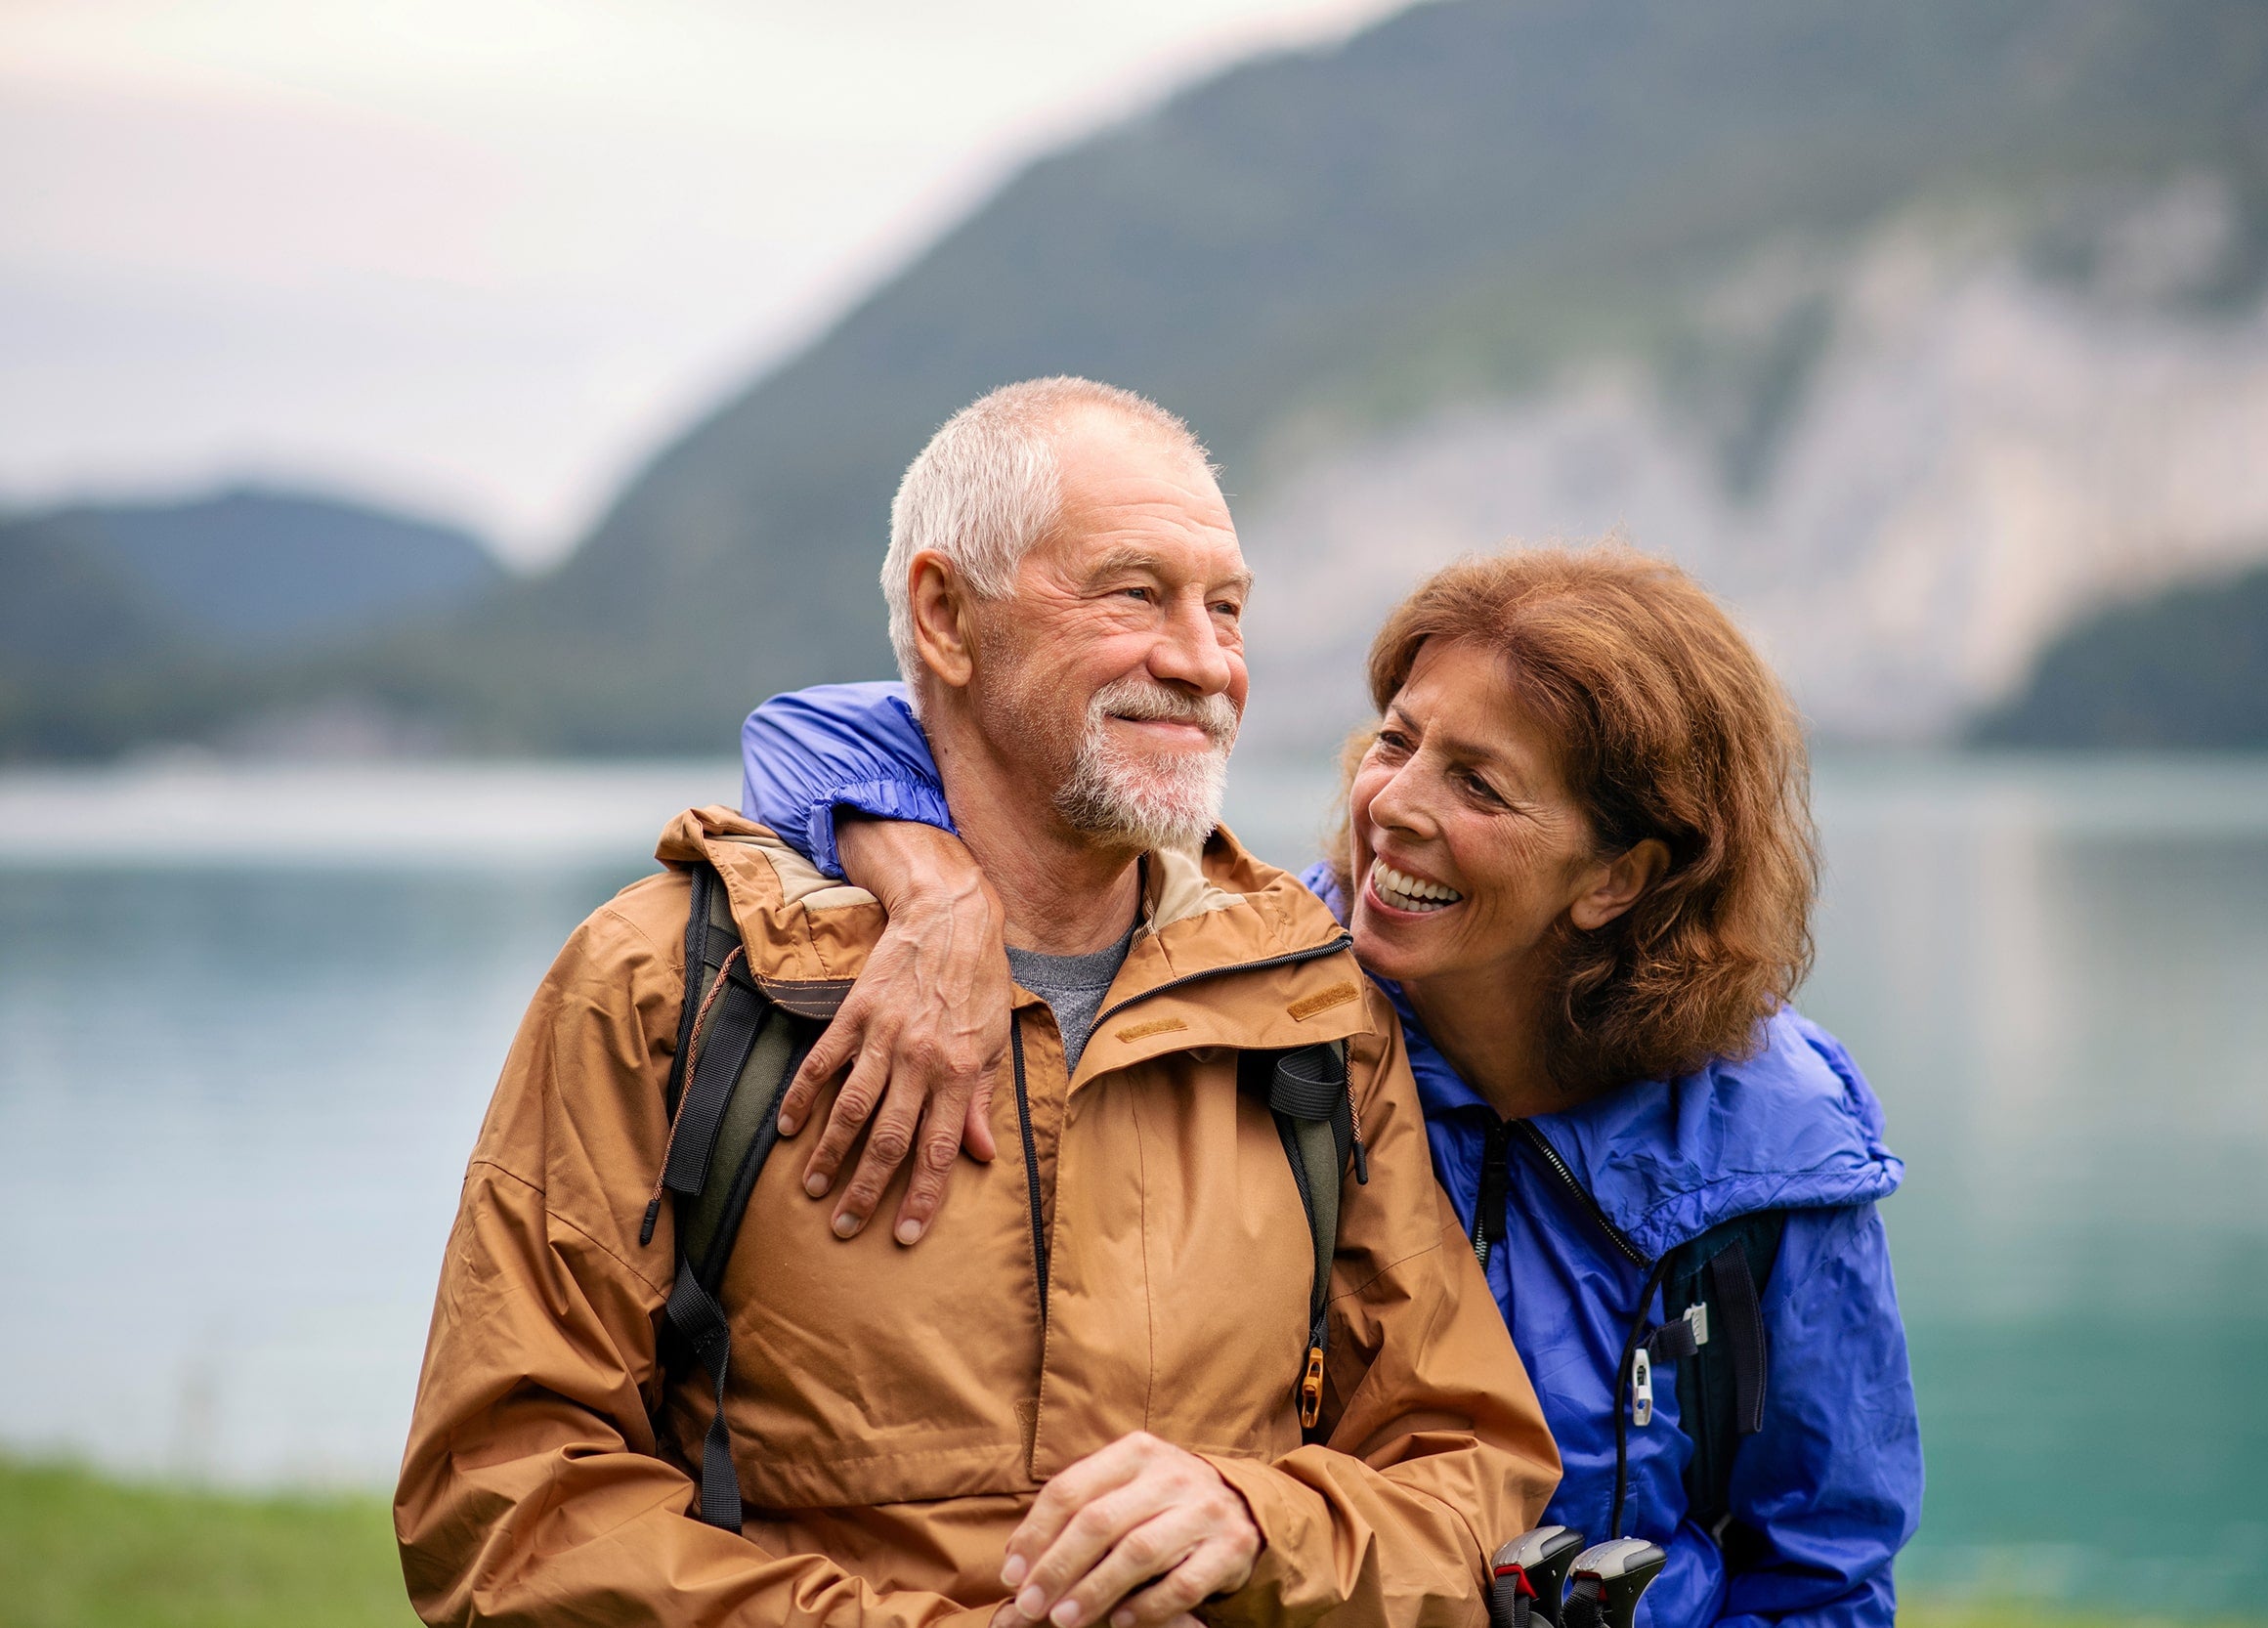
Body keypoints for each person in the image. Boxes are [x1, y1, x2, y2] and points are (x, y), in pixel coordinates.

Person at [395, 377, 1560, 1628]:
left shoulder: (1310, 998)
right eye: (1133, 592)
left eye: (1225, 608)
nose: (1205, 661)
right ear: (945, 616)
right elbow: (506, 1505)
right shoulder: (663, 982)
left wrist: (1255, 1523)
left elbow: (1471, 1472)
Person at [740, 548, 1923, 1628]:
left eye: (1479, 785)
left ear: (1617, 876)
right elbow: (805, 732)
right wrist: (933, 886)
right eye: (1396, 741)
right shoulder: (1269, 991)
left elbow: (1821, 1567)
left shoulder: (1775, 1145)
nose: (1393, 806)